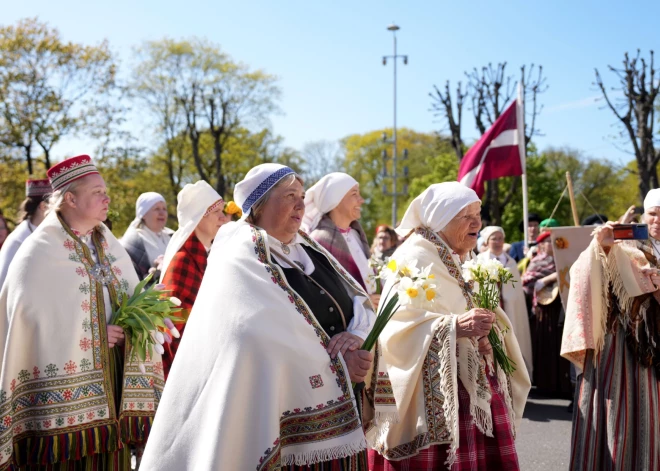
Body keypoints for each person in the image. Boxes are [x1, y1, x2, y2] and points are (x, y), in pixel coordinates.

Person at [141, 163, 376, 470]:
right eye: (290, 195)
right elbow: (251, 332)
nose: (301, 204)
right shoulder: (239, 252)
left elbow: (360, 298)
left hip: (344, 399)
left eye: (302, 196)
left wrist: (356, 336)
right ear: (261, 203)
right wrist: (339, 363)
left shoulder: (307, 247)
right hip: (283, 406)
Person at [0, 155, 163, 469]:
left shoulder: (108, 244)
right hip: (65, 402)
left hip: (113, 385)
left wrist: (142, 320)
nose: (107, 197)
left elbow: (129, 296)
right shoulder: (38, 251)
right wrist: (99, 332)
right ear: (70, 199)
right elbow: (33, 320)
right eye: (97, 192)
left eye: (106, 190)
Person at [367, 182, 530, 470]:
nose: (477, 223)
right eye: (466, 216)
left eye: (478, 214)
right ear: (442, 220)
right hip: (436, 397)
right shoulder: (413, 257)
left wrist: (487, 332)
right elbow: (395, 327)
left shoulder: (458, 256)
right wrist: (455, 326)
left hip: (471, 381)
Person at [562, 190, 660, 470]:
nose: (657, 220)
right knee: (616, 409)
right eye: (653, 213)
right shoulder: (626, 245)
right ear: (644, 215)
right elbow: (583, 272)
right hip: (620, 343)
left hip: (657, 341)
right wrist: (602, 246)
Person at [159, 181, 229, 378]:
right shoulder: (183, 260)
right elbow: (173, 328)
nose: (224, 219)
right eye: (217, 213)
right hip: (187, 366)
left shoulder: (201, 254)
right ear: (199, 217)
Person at [302, 173, 374, 297]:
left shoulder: (356, 234)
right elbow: (322, 291)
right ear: (335, 200)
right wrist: (362, 302)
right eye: (354, 194)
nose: (361, 200)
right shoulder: (318, 241)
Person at [477, 226, 533, 378]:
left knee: (512, 344)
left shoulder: (511, 263)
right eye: (494, 239)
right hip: (491, 311)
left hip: (510, 311)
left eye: (500, 238)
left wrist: (509, 298)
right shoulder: (480, 261)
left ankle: (515, 377)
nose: (498, 242)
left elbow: (515, 292)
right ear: (487, 242)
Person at [522, 231, 572, 397]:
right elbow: (527, 282)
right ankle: (546, 384)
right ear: (541, 245)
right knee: (545, 344)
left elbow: (569, 273)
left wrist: (550, 278)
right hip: (544, 310)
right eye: (548, 242)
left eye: (553, 242)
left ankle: (562, 384)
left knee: (559, 344)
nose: (552, 245)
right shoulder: (536, 261)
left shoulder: (564, 260)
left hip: (561, 307)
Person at [0, 179, 51, 290]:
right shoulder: (18, 240)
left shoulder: (44, 231)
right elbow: (3, 285)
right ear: (43, 206)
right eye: (56, 204)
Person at [121, 192, 174, 280]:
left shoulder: (172, 236)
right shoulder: (132, 243)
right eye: (156, 209)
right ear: (144, 214)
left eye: (164, 209)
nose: (162, 213)